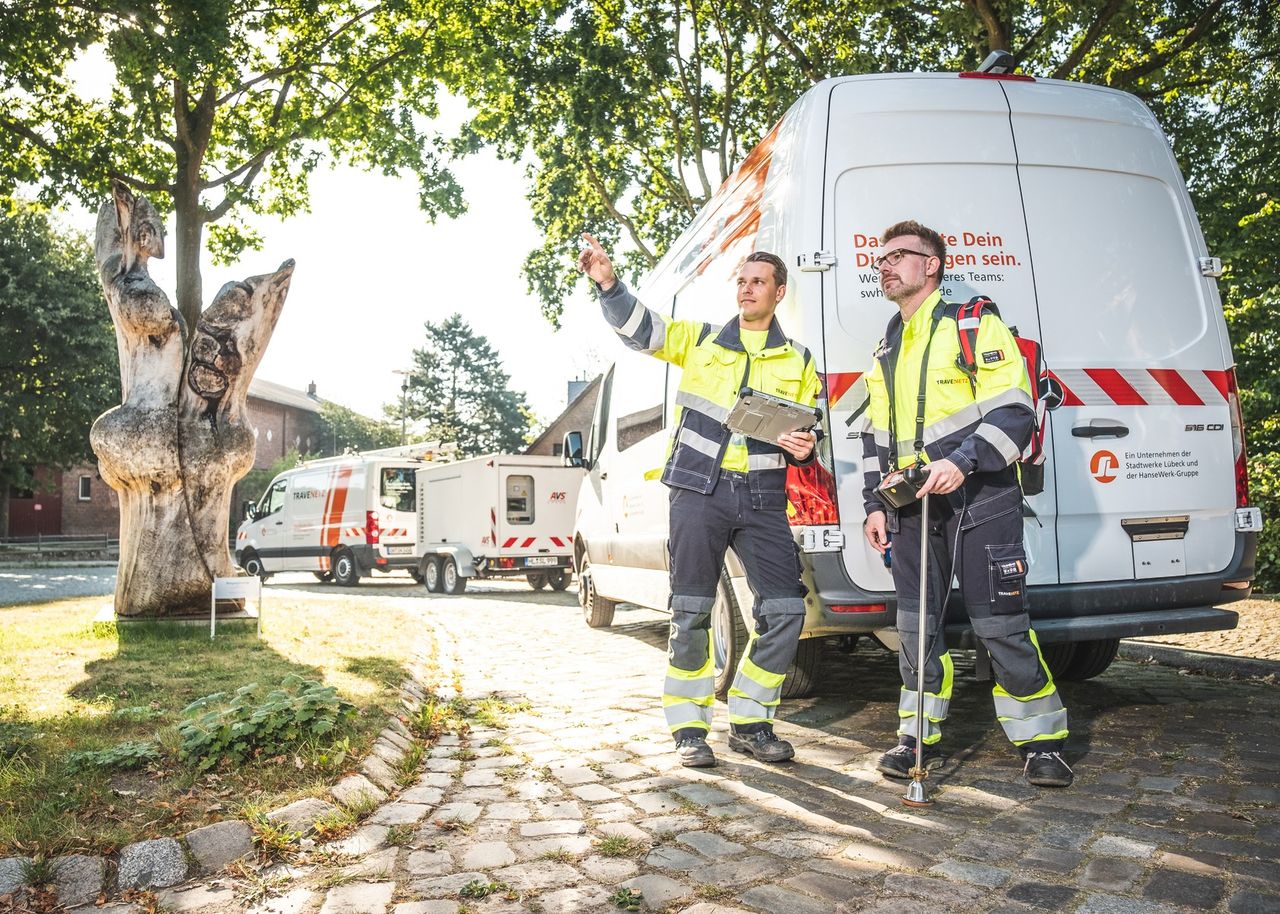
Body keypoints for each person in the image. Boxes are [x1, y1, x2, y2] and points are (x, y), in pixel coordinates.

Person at [577, 233, 821, 768]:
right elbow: (643, 331)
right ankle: (689, 730)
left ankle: (752, 722)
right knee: (690, 611)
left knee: (783, 609)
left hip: (762, 498)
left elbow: (809, 433)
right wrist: (608, 283)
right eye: (741, 280)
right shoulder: (702, 339)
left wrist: (805, 448)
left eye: (757, 281)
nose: (746, 289)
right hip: (697, 492)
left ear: (779, 292)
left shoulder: (800, 361)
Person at [859, 219, 1073, 788]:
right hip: (910, 509)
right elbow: (877, 438)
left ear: (932, 265)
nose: (886, 264)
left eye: (900, 255)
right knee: (915, 626)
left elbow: (1016, 411)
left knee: (1000, 625)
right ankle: (914, 737)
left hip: (982, 500)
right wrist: (874, 503)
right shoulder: (886, 345)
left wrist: (965, 460)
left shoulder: (975, 323)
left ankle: (1042, 742)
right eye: (881, 258)